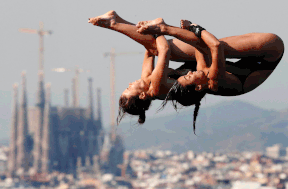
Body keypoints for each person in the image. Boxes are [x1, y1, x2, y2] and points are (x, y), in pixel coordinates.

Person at [88, 11, 284, 129]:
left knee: (161, 46)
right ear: (141, 96)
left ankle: (115, 21)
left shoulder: (156, 82)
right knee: (180, 46)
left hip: (239, 66)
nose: (130, 83)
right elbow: (168, 49)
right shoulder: (162, 86)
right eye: (129, 88)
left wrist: (159, 29)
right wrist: (163, 29)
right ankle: (114, 22)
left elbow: (150, 52)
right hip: (263, 60)